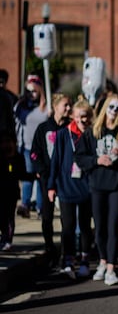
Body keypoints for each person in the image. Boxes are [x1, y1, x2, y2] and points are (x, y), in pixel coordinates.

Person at [74, 93, 118, 286]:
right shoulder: (93, 132)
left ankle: (111, 268)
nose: (114, 112)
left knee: (113, 225)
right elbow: (80, 157)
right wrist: (96, 160)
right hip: (97, 184)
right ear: (105, 107)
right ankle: (102, 260)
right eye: (111, 107)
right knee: (99, 227)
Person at [47, 99, 94, 279]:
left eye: (86, 117)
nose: (83, 120)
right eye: (79, 117)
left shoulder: (91, 134)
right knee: (67, 226)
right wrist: (51, 185)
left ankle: (84, 260)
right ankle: (67, 261)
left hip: (87, 186)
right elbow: (55, 161)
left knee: (84, 226)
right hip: (66, 185)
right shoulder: (62, 134)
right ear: (73, 117)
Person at [30, 93, 71, 264]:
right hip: (47, 179)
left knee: (66, 217)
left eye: (70, 105)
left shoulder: (70, 128)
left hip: (66, 179)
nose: (68, 108)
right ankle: (49, 248)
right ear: (55, 107)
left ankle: (67, 250)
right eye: (65, 105)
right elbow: (34, 153)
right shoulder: (43, 128)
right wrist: (40, 170)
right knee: (47, 216)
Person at [14, 75, 48, 218]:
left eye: (34, 91)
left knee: (40, 177)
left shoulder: (46, 107)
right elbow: (15, 119)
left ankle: (40, 207)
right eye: (28, 91)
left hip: (41, 148)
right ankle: (25, 204)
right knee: (27, 177)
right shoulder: (21, 107)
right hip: (26, 147)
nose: (31, 94)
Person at [0, 131, 24, 251]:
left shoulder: (17, 158)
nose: (6, 145)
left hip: (11, 192)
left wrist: (34, 175)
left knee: (9, 216)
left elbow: (22, 174)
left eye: (8, 142)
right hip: (1, 191)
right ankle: (3, 237)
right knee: (2, 216)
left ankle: (7, 239)